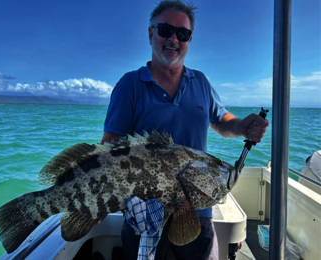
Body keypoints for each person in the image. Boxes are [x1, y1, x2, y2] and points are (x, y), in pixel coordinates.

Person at [101, 0, 269, 259]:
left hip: (197, 211)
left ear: (189, 40)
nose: (173, 39)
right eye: (165, 30)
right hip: (144, 215)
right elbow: (110, 149)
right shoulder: (130, 85)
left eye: (183, 34)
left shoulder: (200, 81)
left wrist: (242, 126)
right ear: (150, 33)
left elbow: (221, 121)